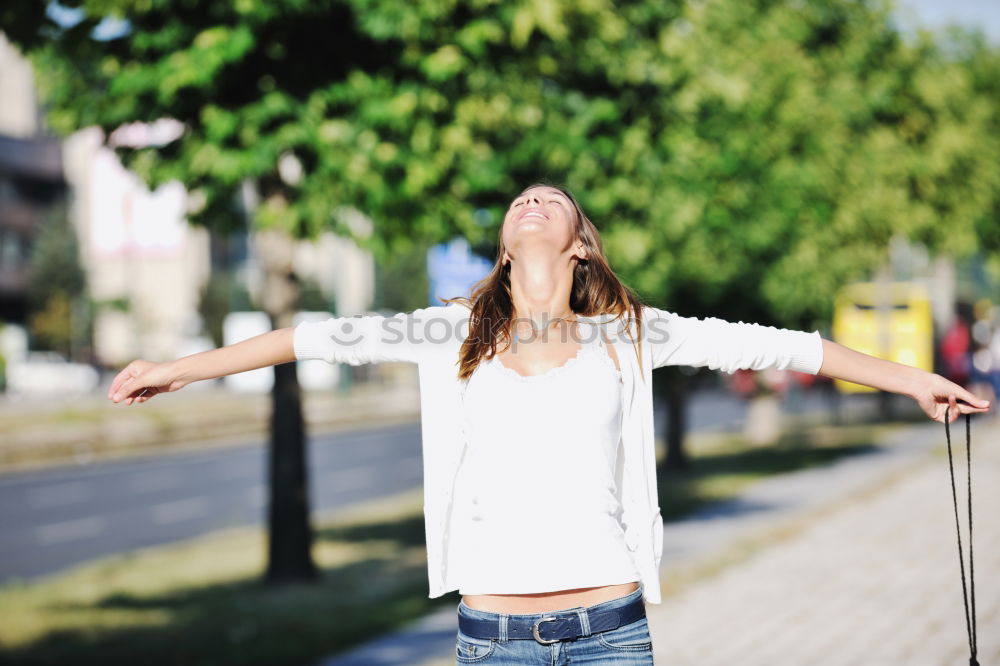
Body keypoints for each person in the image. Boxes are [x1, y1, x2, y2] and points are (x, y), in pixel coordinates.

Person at [108, 184, 991, 665]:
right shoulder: (445, 332)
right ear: (504, 245)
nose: (531, 203)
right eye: (519, 202)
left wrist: (916, 379)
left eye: (551, 201)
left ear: (579, 246)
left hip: (610, 629)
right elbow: (305, 337)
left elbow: (780, 348)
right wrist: (174, 370)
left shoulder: (631, 336)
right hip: (489, 640)